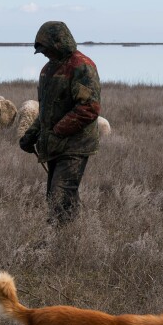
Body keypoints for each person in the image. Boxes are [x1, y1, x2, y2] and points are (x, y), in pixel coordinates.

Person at [19, 21, 101, 224]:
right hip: (55, 144)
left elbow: (88, 108)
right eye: (42, 50)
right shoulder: (48, 70)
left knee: (60, 195)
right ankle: (72, 240)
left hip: (75, 144)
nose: (45, 54)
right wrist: (33, 134)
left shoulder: (82, 66)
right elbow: (46, 110)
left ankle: (58, 243)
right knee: (61, 196)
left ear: (58, 43)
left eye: (46, 49)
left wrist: (56, 131)